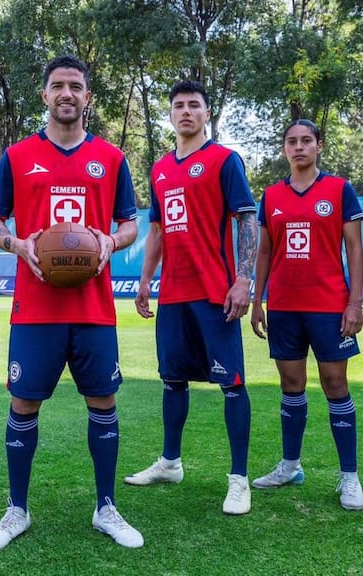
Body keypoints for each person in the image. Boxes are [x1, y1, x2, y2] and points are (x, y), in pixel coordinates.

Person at [0, 55, 143, 551]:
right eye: (58, 86)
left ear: (87, 97)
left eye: (76, 86)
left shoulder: (112, 158)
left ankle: (107, 508)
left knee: (104, 401)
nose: (67, 93)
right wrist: (19, 245)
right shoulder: (17, 156)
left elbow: (131, 224)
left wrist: (110, 244)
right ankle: (16, 509)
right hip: (35, 309)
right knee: (24, 401)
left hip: (94, 308)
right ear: (45, 95)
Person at [127, 80, 258, 515]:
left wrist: (244, 280)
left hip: (215, 292)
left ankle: (239, 480)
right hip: (175, 294)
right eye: (179, 106)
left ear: (206, 113)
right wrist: (146, 280)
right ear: (170, 115)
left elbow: (246, 219)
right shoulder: (160, 168)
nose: (186, 112)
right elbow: (159, 231)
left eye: (194, 105)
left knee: (231, 383)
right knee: (172, 378)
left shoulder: (224, 160)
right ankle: (170, 462)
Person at [250, 119, 363, 510]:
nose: (298, 147)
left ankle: (349, 476)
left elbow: (355, 249)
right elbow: (264, 251)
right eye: (291, 142)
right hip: (283, 305)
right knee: (291, 384)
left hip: (330, 305)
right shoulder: (271, 195)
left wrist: (356, 302)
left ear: (318, 146)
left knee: (335, 383)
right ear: (284, 148)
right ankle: (290, 466)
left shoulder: (339, 189)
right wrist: (257, 299)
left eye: (306, 141)